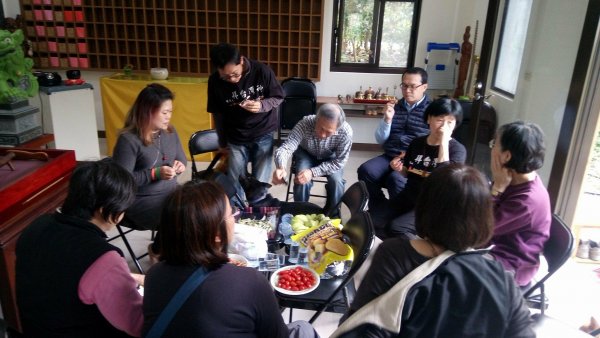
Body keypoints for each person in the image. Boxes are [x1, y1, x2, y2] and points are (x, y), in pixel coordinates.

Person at [334, 164, 535, 338]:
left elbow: (360, 322)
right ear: (484, 218)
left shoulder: (395, 255)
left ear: (424, 207)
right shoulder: (501, 278)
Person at [142, 181, 319, 338]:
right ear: (217, 234)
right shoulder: (250, 281)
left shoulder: (154, 275)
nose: (235, 217)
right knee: (303, 328)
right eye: (231, 213)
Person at [16, 159, 144, 337]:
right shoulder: (102, 257)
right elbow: (138, 324)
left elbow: (64, 274)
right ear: (103, 210)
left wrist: (130, 277)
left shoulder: (36, 226)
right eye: (123, 209)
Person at [370, 97, 467, 238]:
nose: (444, 126)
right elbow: (409, 173)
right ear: (429, 119)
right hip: (408, 197)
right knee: (371, 221)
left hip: (433, 206)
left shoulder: (457, 150)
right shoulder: (417, 143)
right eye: (440, 120)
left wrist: (444, 143)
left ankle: (419, 249)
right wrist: (398, 168)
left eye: (450, 122)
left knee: (396, 228)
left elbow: (446, 182)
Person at [207, 42, 284, 202]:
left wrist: (262, 105)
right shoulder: (215, 81)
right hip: (236, 136)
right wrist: (222, 141)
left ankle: (257, 215)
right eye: (226, 77)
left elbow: (278, 97)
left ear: (241, 61)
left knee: (260, 184)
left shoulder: (262, 71)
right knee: (235, 182)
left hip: (263, 131)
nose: (232, 80)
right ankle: (238, 216)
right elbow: (218, 114)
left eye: (235, 74)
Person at [113, 83, 187, 236]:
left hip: (171, 192)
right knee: (184, 217)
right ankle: (160, 250)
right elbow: (120, 182)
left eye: (170, 112)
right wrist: (154, 174)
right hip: (139, 200)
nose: (169, 117)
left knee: (203, 207)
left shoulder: (170, 132)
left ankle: (166, 249)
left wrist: (180, 166)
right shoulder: (128, 140)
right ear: (148, 111)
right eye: (164, 112)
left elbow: (182, 159)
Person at [357, 67, 431, 212]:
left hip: (416, 159)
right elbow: (380, 139)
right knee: (366, 170)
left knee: (395, 179)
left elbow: (434, 141)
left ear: (424, 87)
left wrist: (408, 157)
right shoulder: (394, 106)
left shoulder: (431, 110)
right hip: (390, 155)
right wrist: (387, 119)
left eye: (412, 86)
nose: (407, 90)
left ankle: (401, 216)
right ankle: (380, 209)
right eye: (404, 85)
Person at [488, 121, 551, 288]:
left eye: (494, 144)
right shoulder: (515, 179)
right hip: (496, 247)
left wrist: (496, 189)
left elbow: (480, 231)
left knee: (450, 269)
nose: (492, 149)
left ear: (506, 156)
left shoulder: (527, 201)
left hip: (511, 264)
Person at [272, 103, 353, 217]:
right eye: (321, 128)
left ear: (338, 128)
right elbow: (287, 147)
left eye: (329, 132)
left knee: (337, 181)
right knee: (301, 178)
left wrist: (312, 172)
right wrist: (281, 166)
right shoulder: (305, 123)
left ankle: (333, 214)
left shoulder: (346, 131)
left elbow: (340, 161)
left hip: (331, 158)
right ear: (316, 119)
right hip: (306, 153)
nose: (323, 135)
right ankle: (300, 213)